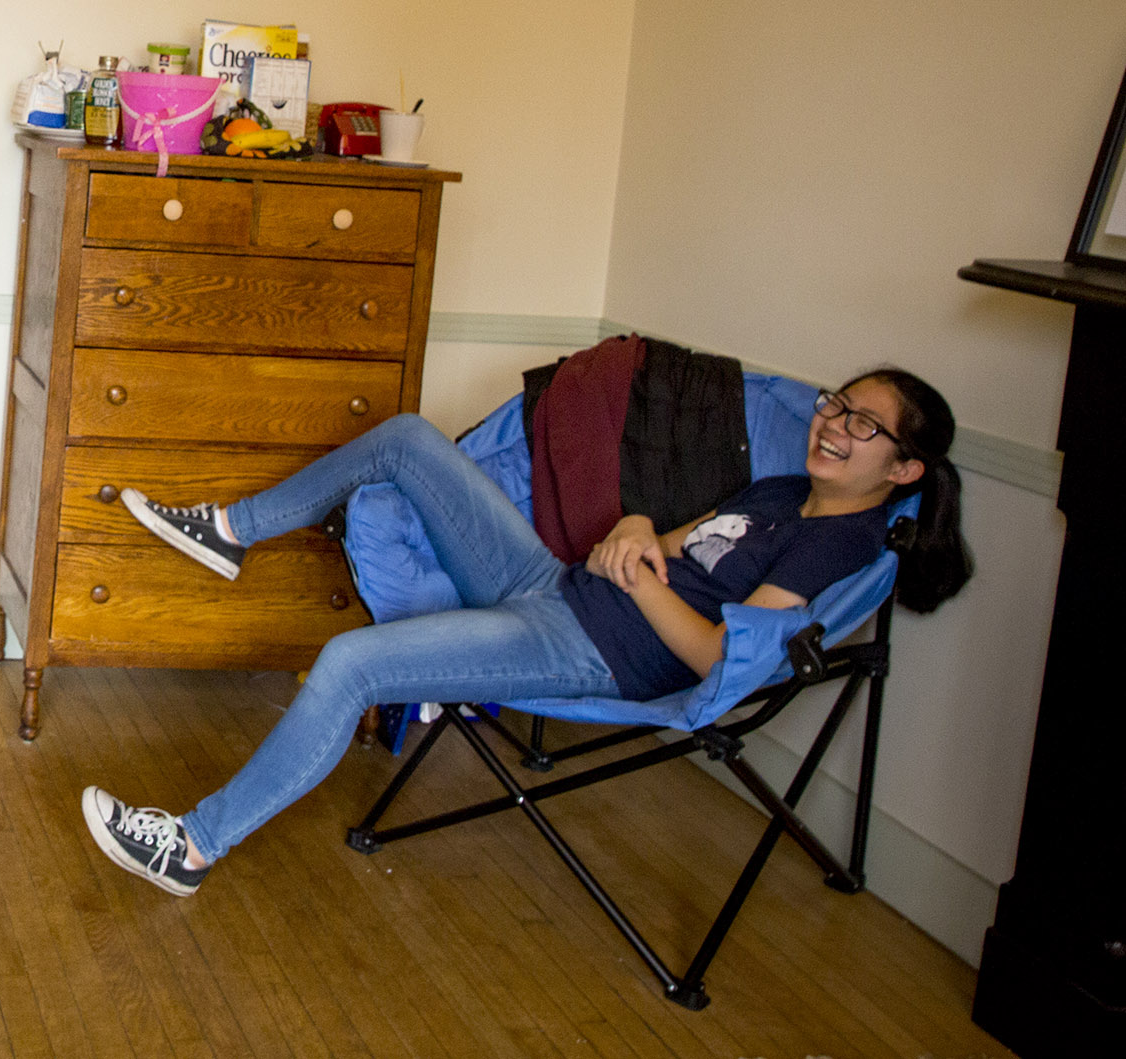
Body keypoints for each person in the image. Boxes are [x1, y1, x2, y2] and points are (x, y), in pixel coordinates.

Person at [80, 369, 972, 895]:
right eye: (834, 404)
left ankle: (192, 846)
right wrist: (632, 533)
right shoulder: (782, 491)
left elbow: (714, 657)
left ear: (904, 466)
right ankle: (230, 532)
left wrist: (638, 577)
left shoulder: (839, 543)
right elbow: (659, 541)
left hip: (591, 649)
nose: (833, 426)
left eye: (864, 425)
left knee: (348, 662)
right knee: (405, 439)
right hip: (556, 585)